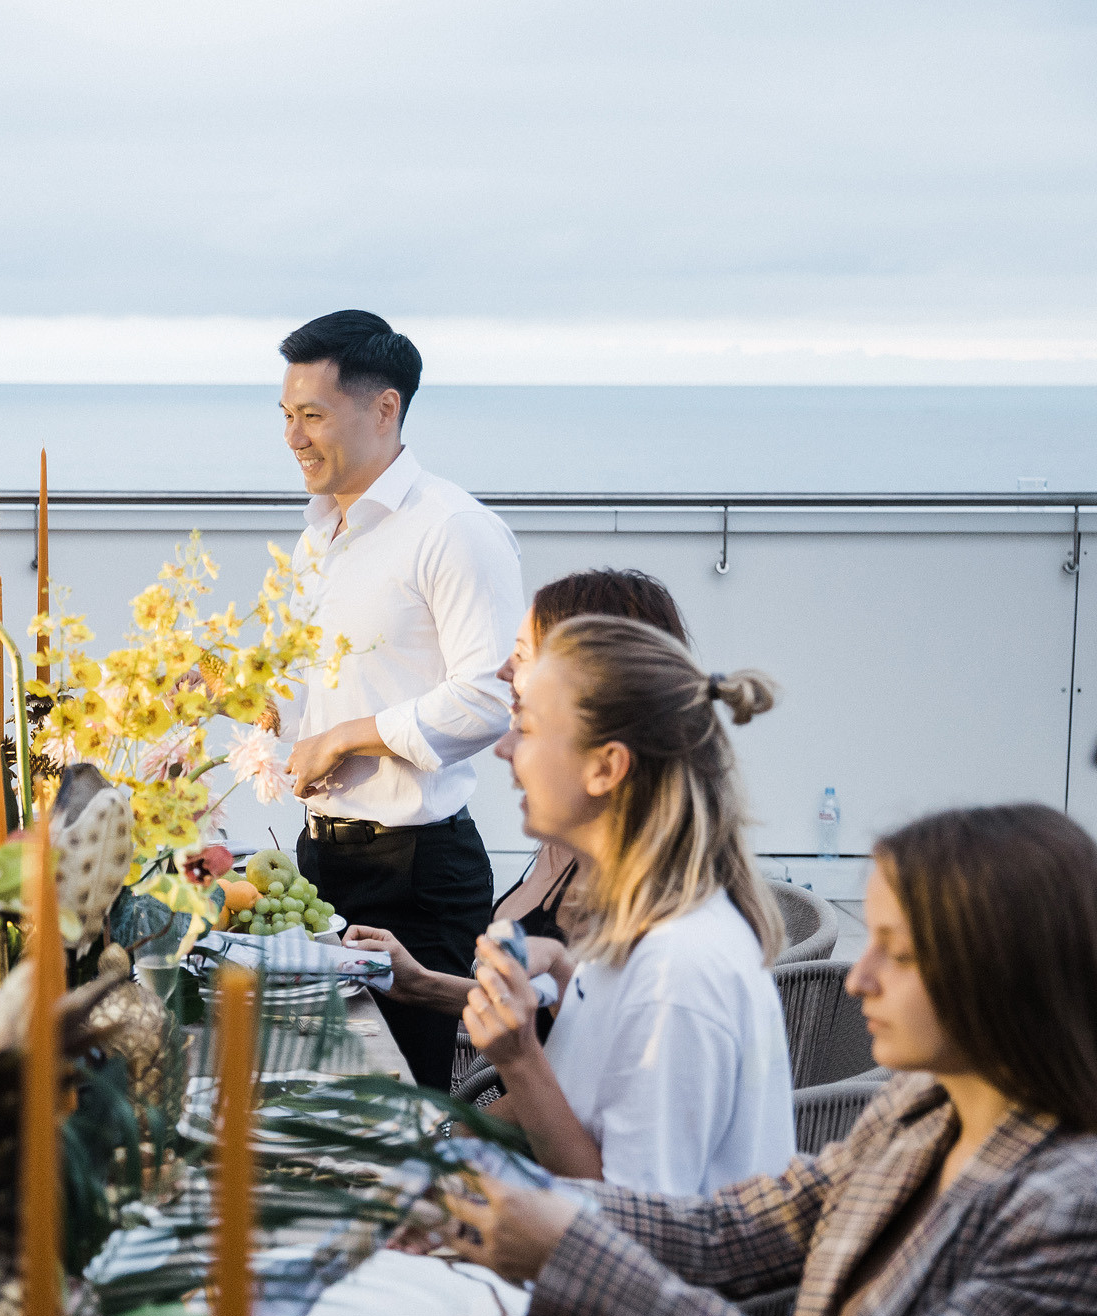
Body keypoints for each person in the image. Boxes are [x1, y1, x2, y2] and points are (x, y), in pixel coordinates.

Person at [435, 804, 1097, 1316]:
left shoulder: (1070, 1208)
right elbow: (737, 1229)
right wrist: (498, 1201)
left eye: (896, 951)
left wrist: (572, 1250)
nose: (859, 977)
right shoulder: (927, 1104)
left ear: (1007, 975)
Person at [273, 309, 526, 1091]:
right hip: (322, 861)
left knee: (396, 1113)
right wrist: (255, 703)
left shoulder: (453, 529)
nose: (294, 438)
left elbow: (492, 698)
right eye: (286, 416)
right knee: (318, 1088)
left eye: (312, 415)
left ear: (385, 408)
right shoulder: (320, 535)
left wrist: (347, 736)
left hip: (417, 875)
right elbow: (335, 684)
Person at [454, 614, 791, 1193]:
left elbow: (634, 1232)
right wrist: (565, 976)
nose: (503, 749)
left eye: (527, 729)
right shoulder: (630, 930)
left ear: (606, 767)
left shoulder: (678, 973)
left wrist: (519, 1059)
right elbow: (600, 1102)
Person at [342, 568, 691, 1025]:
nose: (504, 670)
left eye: (523, 655)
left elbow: (566, 1060)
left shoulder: (649, 916)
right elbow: (551, 1007)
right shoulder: (577, 840)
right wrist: (419, 982)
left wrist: (515, 1061)